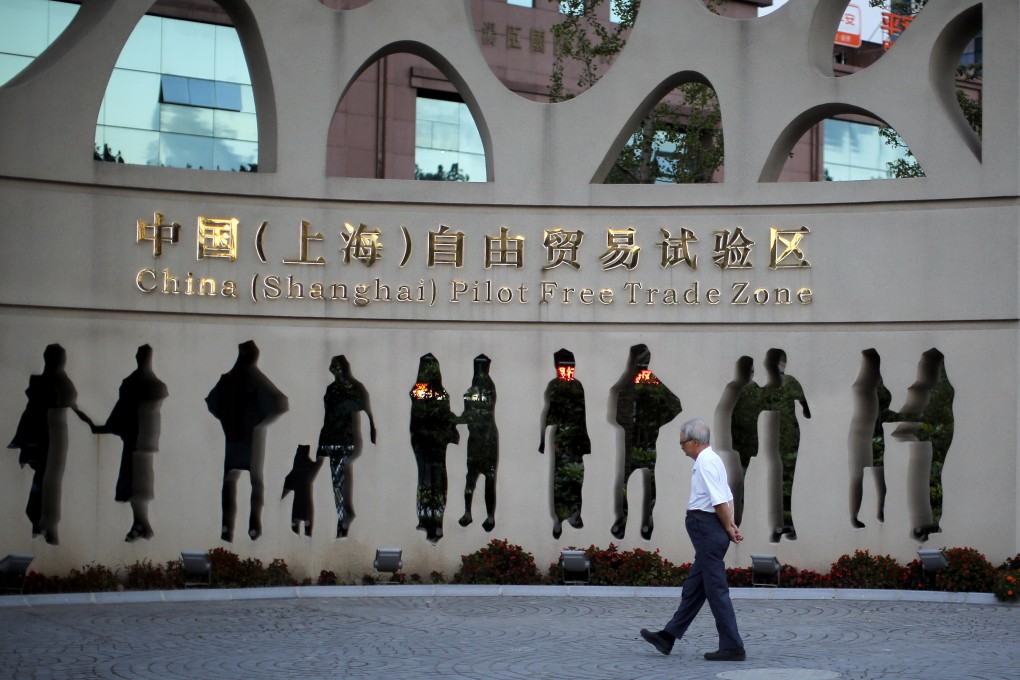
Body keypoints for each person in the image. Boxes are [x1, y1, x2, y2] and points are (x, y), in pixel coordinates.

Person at [640, 417, 745, 662]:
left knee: (716, 589)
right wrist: (729, 525)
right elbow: (727, 496)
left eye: (683, 443)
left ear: (695, 442)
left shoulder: (706, 462)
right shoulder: (714, 460)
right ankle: (667, 636)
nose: (681, 447)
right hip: (711, 529)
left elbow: (719, 500)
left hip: (706, 528)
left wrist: (728, 527)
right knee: (695, 588)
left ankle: (732, 646)